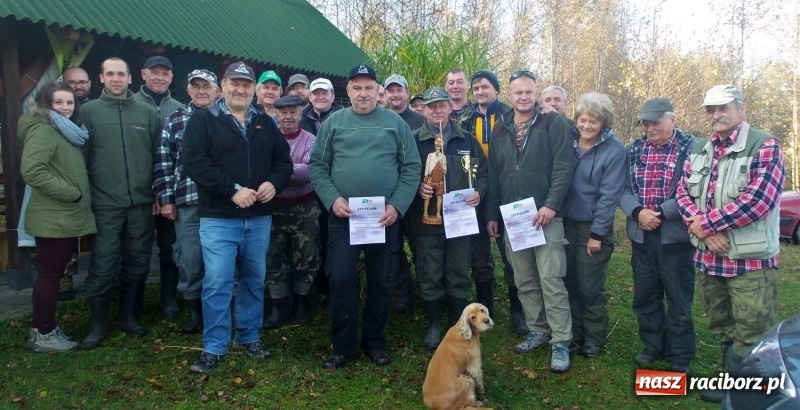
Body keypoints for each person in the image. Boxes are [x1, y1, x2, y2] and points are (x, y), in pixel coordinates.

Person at [182, 61, 292, 373]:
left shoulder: (265, 123)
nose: (240, 89)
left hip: (258, 218)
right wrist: (231, 189)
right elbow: (194, 162)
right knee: (217, 280)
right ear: (223, 86)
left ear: (254, 88)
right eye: (235, 83)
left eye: (246, 84)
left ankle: (248, 335)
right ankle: (214, 345)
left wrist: (274, 181)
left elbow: (283, 162)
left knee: (254, 278)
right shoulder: (203, 121)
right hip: (218, 218)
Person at [676, 85, 784, 402]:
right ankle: (732, 387)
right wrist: (707, 233)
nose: (715, 115)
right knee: (722, 327)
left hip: (750, 263)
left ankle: (759, 394)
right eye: (710, 109)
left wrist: (706, 224)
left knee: (754, 331)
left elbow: (759, 201)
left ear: (741, 109)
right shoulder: (699, 148)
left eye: (723, 108)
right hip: (711, 259)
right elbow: (683, 194)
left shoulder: (765, 146)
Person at [309, 64, 421, 369]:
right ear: (347, 91)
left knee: (381, 280)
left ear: (378, 91)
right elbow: (318, 166)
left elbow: (411, 167)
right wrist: (332, 199)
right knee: (342, 278)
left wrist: (397, 205)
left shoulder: (394, 124)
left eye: (369, 87)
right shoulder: (334, 124)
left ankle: (374, 341)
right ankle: (342, 346)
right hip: (344, 219)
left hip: (382, 218)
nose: (363, 93)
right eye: (356, 87)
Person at [485, 70, 575, 373]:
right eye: (518, 92)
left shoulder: (553, 123)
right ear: (509, 95)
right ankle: (538, 330)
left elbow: (564, 167)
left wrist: (551, 205)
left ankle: (561, 340)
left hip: (544, 216)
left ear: (535, 94)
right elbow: (495, 175)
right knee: (524, 279)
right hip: (514, 218)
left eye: (528, 92)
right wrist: (493, 215)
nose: (523, 97)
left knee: (551, 278)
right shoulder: (500, 129)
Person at [80, 57, 160, 349]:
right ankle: (97, 327)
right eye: (110, 74)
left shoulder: (147, 112)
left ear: (130, 78)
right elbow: (83, 160)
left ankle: (128, 316)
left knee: (138, 260)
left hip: (140, 202)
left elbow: (156, 157)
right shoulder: (88, 112)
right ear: (100, 78)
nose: (116, 79)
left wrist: (156, 193)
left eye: (121, 74)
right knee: (103, 263)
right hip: (105, 204)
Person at [620, 97, 697, 373]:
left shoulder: (692, 149)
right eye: (646, 123)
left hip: (675, 237)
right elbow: (624, 189)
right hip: (641, 235)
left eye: (656, 122)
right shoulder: (634, 150)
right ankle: (653, 346)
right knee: (646, 295)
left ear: (672, 120)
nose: (650, 128)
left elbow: (694, 191)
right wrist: (638, 212)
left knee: (678, 297)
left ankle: (680, 356)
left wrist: (662, 213)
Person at [407, 87, 487, 349]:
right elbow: (402, 173)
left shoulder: (466, 140)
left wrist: (479, 191)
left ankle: (457, 322)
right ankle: (433, 324)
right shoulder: (414, 141)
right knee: (430, 272)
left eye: (442, 105)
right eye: (432, 106)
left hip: (460, 221)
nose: (437, 110)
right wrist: (418, 188)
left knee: (458, 271)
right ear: (425, 110)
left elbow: (483, 172)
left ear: (450, 107)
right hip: (427, 221)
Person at [20, 81, 96, 352]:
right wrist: (71, 193)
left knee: (51, 273)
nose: (65, 108)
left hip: (63, 216)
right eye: (58, 102)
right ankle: (44, 333)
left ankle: (44, 328)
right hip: (53, 216)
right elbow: (33, 170)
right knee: (50, 275)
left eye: (69, 102)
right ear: (46, 105)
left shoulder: (67, 131)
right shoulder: (44, 130)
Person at [152, 68, 220, 334]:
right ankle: (195, 315)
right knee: (190, 259)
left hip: (222, 203)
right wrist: (166, 199)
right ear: (188, 90)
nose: (202, 91)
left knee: (222, 260)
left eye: (207, 86)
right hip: (187, 201)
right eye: (196, 86)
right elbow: (163, 161)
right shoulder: (175, 120)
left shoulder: (227, 118)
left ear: (218, 90)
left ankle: (222, 311)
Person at [562, 92, 625, 357]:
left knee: (589, 285)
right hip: (564, 224)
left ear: (604, 124)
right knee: (569, 282)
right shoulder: (568, 142)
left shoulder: (614, 151)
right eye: (583, 120)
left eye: (593, 122)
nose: (586, 126)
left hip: (592, 229)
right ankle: (574, 333)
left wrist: (597, 234)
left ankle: (594, 336)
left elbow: (608, 198)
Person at [459, 69, 520, 332]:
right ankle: (486, 310)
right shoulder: (465, 119)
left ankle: (519, 311)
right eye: (476, 88)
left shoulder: (510, 116)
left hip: (506, 192)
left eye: (485, 87)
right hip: (475, 194)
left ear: (496, 89)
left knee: (513, 255)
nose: (480, 92)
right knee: (479, 255)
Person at [133, 55, 184, 319]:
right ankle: (134, 303)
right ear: (143, 74)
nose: (160, 77)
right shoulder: (130, 105)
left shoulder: (179, 109)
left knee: (169, 247)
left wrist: (164, 194)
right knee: (137, 249)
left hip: (169, 193)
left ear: (172, 78)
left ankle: (168, 299)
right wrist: (151, 191)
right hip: (139, 193)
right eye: (154, 72)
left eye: (165, 73)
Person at [263, 95, 320, 329]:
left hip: (305, 206)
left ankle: (301, 302)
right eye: (283, 112)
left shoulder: (310, 139)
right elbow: (261, 168)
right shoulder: (267, 138)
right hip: (272, 206)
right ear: (276, 113)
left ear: (300, 113)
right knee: (273, 255)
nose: (288, 117)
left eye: (293, 112)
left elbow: (311, 171)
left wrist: (278, 172)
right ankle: (278, 306)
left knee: (307, 256)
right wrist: (291, 171)